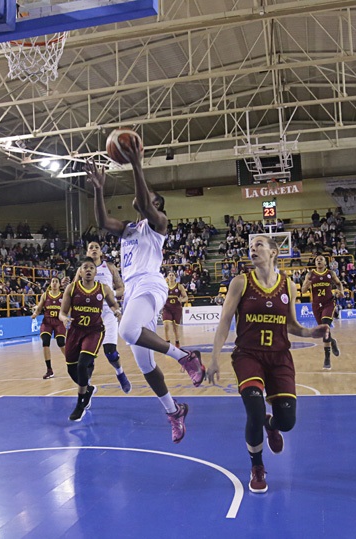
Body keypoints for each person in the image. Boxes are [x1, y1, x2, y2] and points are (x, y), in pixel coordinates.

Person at [85, 142, 205, 444]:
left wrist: (137, 164)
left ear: (156, 205)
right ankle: (174, 411)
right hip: (134, 293)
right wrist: (99, 189)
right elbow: (101, 222)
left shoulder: (159, 224)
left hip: (151, 285)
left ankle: (185, 357)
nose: (139, 198)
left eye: (148, 198)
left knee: (126, 329)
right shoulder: (128, 229)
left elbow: (145, 200)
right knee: (145, 365)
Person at [206, 235, 329, 494]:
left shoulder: (289, 285)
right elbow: (225, 321)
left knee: (287, 422)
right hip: (248, 355)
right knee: (254, 411)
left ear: (274, 252)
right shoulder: (240, 282)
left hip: (279, 357)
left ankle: (272, 426)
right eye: (251, 246)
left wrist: (311, 332)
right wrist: (214, 358)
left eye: (259, 244)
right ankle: (257, 467)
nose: (253, 249)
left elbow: (292, 326)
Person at [58, 258, 122, 422]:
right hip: (75, 331)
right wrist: (64, 319)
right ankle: (88, 389)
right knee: (72, 370)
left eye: (91, 268)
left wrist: (117, 312)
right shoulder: (72, 289)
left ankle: (80, 404)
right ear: (79, 271)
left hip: (94, 331)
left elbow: (113, 305)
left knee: (82, 365)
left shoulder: (104, 288)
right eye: (84, 267)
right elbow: (62, 312)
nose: (88, 270)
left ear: (95, 272)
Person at [86, 241, 131, 393]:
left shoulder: (109, 267)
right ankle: (86, 388)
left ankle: (120, 374)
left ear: (101, 252)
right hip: (89, 314)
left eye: (96, 247)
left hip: (108, 312)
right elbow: (74, 290)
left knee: (110, 351)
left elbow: (121, 288)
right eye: (90, 248)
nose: (93, 249)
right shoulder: (81, 270)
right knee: (88, 355)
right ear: (87, 252)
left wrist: (111, 293)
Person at [299, 256, 343, 370]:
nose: (318, 260)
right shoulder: (310, 275)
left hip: (328, 303)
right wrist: (306, 286)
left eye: (321, 259)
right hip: (316, 305)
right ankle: (332, 341)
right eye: (316, 259)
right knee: (324, 332)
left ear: (325, 262)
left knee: (325, 327)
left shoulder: (330, 273)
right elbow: (303, 291)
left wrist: (341, 291)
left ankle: (327, 359)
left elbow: (339, 283)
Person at [31, 277, 67, 379]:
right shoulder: (45, 295)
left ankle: (72, 362)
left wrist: (67, 318)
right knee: (45, 341)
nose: (54, 283)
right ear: (50, 284)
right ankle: (49, 370)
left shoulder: (63, 296)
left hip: (59, 322)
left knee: (61, 343)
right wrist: (35, 314)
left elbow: (67, 310)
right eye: (53, 281)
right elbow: (38, 309)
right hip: (47, 322)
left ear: (59, 284)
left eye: (56, 281)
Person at [162, 271, 188, 347]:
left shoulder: (179, 286)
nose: (171, 276)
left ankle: (177, 342)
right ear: (167, 277)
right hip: (167, 308)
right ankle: (167, 344)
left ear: (175, 277)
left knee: (175, 328)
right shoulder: (164, 286)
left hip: (177, 309)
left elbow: (186, 297)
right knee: (166, 325)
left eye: (172, 275)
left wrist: (182, 300)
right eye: (169, 275)